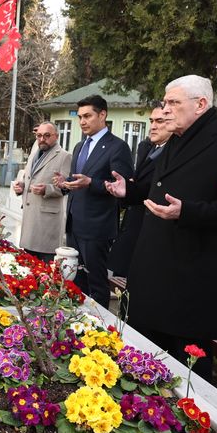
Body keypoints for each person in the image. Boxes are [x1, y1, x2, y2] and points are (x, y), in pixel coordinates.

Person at [107, 75, 217, 380]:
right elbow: (159, 189)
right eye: (165, 102)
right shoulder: (176, 140)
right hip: (154, 275)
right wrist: (132, 192)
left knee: (187, 377)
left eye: (173, 102)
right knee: (145, 365)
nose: (164, 110)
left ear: (200, 104)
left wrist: (186, 212)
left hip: (193, 282)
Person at [55, 95, 133, 307]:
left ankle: (99, 327)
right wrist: (66, 183)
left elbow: (122, 187)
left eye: (87, 116)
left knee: (96, 283)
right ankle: (76, 324)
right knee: (75, 279)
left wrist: (92, 183)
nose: (82, 121)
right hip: (74, 224)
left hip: (97, 227)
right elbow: (79, 180)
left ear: (102, 114)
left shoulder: (118, 147)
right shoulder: (80, 146)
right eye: (80, 117)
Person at [107, 104, 172, 277]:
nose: (153, 126)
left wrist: (130, 188)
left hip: (151, 233)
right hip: (132, 227)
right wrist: (125, 189)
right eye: (151, 121)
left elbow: (154, 190)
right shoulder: (147, 147)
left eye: (160, 121)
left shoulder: (174, 153)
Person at [12, 121, 72, 263]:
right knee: (28, 266)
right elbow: (30, 180)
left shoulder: (64, 156)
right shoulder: (34, 154)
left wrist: (48, 189)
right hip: (29, 220)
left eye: (46, 135)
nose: (42, 139)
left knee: (45, 267)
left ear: (56, 136)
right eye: (39, 135)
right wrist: (22, 186)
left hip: (47, 224)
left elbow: (66, 187)